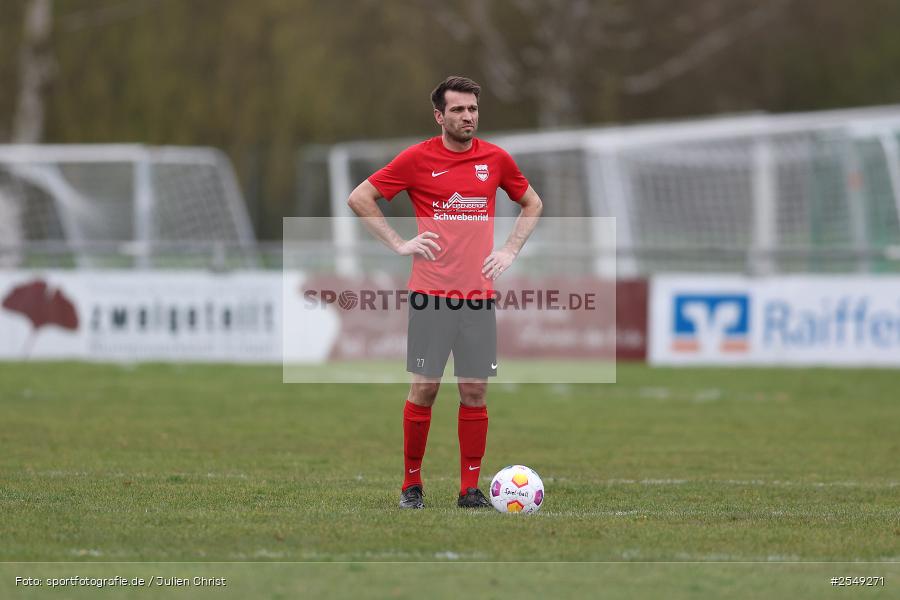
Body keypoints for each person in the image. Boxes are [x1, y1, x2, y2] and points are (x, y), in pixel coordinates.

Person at [347, 76, 543, 509]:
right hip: (431, 296)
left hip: (479, 298)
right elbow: (360, 197)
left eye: (472, 109)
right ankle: (411, 486)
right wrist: (399, 244)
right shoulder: (417, 159)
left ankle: (469, 490)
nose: (467, 116)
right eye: (458, 110)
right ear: (439, 116)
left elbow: (533, 202)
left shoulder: (496, 159)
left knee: (474, 392)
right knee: (425, 390)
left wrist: (510, 249)